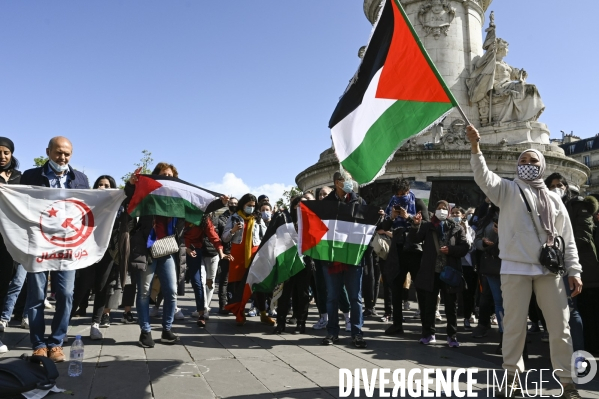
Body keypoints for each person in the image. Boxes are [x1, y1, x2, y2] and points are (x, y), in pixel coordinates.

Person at [467, 125, 582, 398]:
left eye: (533, 161)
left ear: (541, 166)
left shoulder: (555, 198)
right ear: (516, 167)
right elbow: (483, 177)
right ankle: (511, 381)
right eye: (523, 161)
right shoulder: (506, 190)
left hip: (549, 271)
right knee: (514, 328)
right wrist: (475, 147)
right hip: (514, 269)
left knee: (560, 328)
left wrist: (574, 270)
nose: (528, 164)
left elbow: (567, 238)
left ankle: (567, 383)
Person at [19, 136, 90, 362]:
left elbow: (88, 208)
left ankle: (57, 342)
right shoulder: (30, 176)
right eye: (58, 153)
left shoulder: (80, 179)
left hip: (67, 247)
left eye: (67, 154)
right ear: (48, 151)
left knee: (67, 294)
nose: (63, 158)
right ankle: (39, 344)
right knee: (36, 296)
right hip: (38, 246)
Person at [127, 163, 186, 348]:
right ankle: (145, 332)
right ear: (156, 177)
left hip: (167, 250)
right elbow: (130, 195)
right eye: (164, 175)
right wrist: (131, 183)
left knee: (172, 292)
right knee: (144, 292)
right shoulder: (147, 195)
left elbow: (199, 208)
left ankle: (167, 330)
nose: (168, 177)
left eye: (171, 175)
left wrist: (221, 202)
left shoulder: (178, 199)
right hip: (147, 249)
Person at [408, 200, 469, 347]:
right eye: (439, 208)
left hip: (449, 272)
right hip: (431, 272)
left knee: (450, 307)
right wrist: (415, 225)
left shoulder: (456, 227)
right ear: (435, 211)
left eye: (444, 208)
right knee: (429, 305)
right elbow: (414, 239)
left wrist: (451, 250)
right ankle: (429, 334)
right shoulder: (428, 227)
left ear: (448, 212)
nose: (441, 210)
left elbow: (465, 247)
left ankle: (452, 336)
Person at [545, 172, 593, 354]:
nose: (557, 189)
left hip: (569, 265)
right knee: (556, 313)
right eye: (552, 186)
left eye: (560, 185)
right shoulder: (543, 206)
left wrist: (563, 255)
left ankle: (578, 355)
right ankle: (561, 354)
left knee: (572, 311)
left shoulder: (576, 205)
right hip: (549, 265)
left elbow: (580, 236)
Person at [321, 171, 367, 348]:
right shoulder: (325, 204)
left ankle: (357, 333)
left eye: (350, 179)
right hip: (332, 259)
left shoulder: (360, 202)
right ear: (336, 182)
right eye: (345, 180)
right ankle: (332, 332)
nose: (349, 182)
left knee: (355, 298)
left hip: (353, 258)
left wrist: (377, 217)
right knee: (332, 297)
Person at [381, 178, 429, 335]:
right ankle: (397, 324)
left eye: (403, 194)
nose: (400, 197)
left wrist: (408, 217)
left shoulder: (419, 202)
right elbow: (384, 227)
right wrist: (392, 217)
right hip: (397, 250)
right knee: (396, 287)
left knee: (420, 287)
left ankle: (426, 326)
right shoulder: (391, 203)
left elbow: (427, 225)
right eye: (397, 194)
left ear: (408, 191)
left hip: (414, 250)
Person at [222, 193, 273, 326]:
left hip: (255, 255)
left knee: (257, 285)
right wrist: (233, 230)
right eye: (248, 205)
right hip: (237, 256)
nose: (251, 208)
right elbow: (225, 238)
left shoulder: (257, 218)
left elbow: (265, 235)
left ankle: (263, 313)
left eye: (253, 206)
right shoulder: (233, 218)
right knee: (239, 286)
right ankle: (240, 314)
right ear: (243, 205)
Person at [312, 185, 351, 331]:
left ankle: (347, 317)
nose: (322, 197)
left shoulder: (338, 210)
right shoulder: (314, 213)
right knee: (321, 287)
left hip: (335, 254)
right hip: (318, 254)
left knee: (339, 288)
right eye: (320, 194)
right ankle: (324, 318)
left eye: (325, 194)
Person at [185, 212, 232, 327]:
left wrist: (221, 252)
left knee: (201, 282)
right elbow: (177, 234)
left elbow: (214, 236)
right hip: (181, 249)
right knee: (188, 282)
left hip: (197, 250)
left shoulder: (204, 219)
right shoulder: (180, 214)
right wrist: (185, 248)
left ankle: (202, 313)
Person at [273, 195, 312, 334]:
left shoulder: (312, 221)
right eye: (299, 204)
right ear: (294, 206)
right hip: (287, 261)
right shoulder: (285, 220)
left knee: (302, 294)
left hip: (304, 262)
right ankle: (281, 322)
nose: (302, 207)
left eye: (305, 204)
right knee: (284, 293)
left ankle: (301, 323)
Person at [0, 137, 22, 354]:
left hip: (9, 241)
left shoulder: (19, 178)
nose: (2, 156)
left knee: (5, 286)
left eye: (6, 152)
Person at [474, 204, 505, 353]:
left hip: (514, 265)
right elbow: (477, 239)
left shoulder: (517, 214)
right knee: (498, 302)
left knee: (514, 303)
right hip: (493, 265)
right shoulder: (487, 218)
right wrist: (483, 243)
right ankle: (503, 336)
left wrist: (504, 232)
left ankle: (518, 338)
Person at [450, 206, 477, 330]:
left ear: (463, 215)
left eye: (458, 213)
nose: (456, 215)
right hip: (452, 263)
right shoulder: (448, 227)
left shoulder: (469, 229)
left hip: (467, 265)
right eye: (453, 213)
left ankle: (467, 317)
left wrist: (464, 230)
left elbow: (471, 247)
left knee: (468, 293)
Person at [217, 197, 237, 314]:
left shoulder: (240, 218)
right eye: (231, 203)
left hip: (237, 251)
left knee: (234, 280)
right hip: (226, 251)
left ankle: (232, 303)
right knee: (224, 279)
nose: (233, 205)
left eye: (235, 203)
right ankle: (223, 305)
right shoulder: (221, 218)